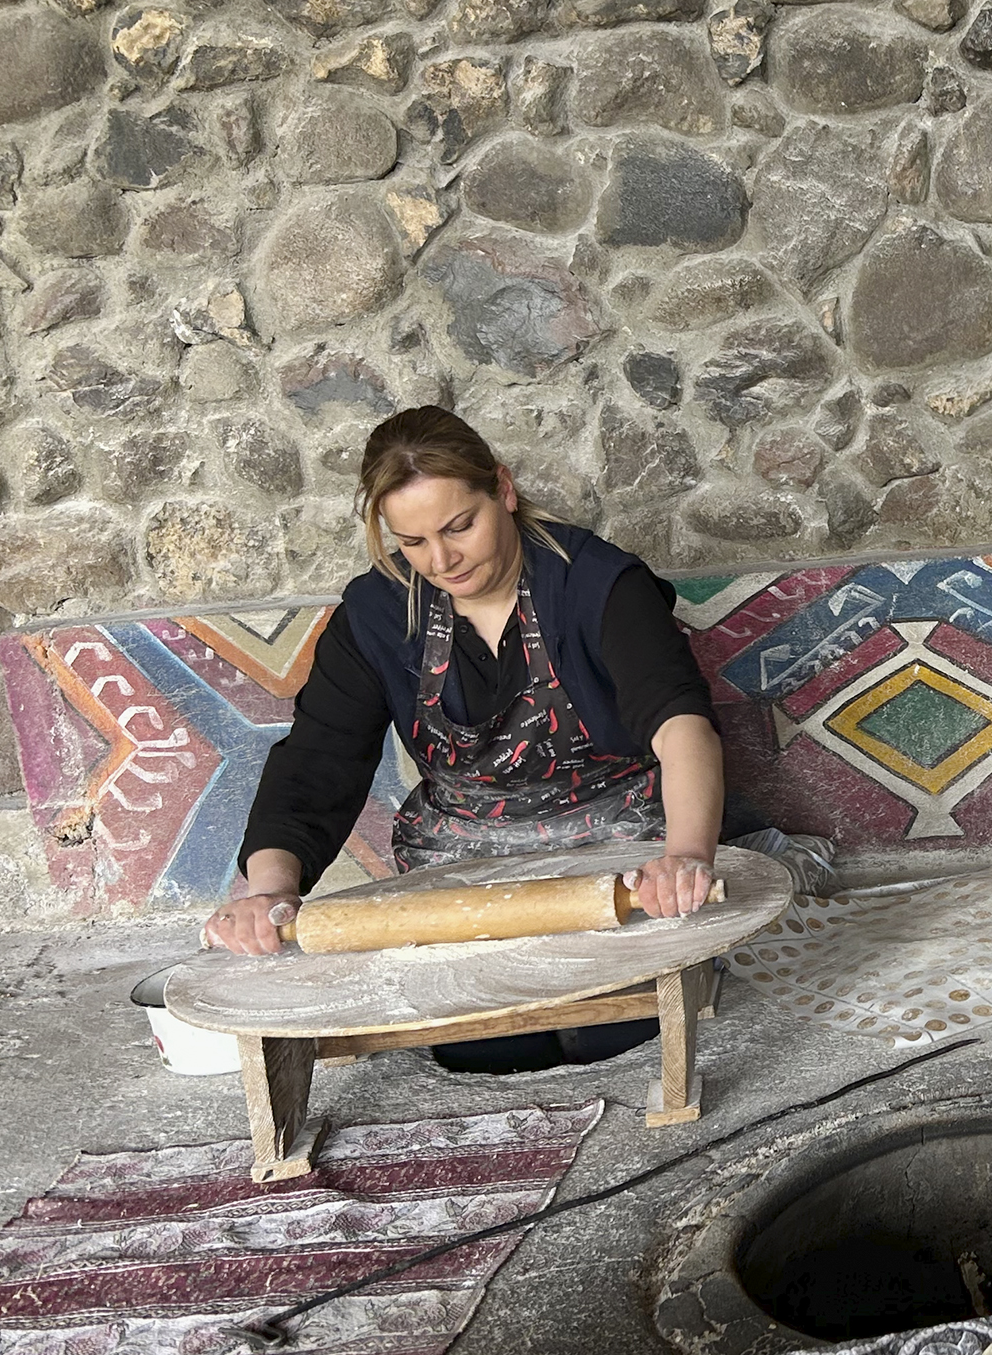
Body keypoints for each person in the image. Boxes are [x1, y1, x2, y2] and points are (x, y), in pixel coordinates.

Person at [202, 406, 728, 1071]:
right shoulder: (378, 611)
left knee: (608, 1034)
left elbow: (680, 724)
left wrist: (682, 859)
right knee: (484, 1047)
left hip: (615, 854)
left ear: (502, 491)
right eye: (414, 542)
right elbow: (316, 762)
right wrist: (265, 893)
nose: (442, 560)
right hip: (460, 866)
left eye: (460, 527)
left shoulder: (595, 583)